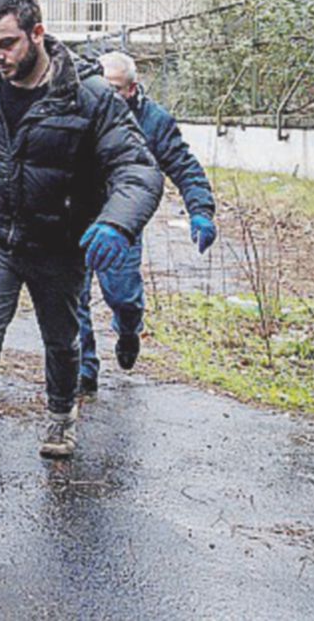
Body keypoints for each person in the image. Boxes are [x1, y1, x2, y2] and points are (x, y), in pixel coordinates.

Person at [0, 0, 163, 512]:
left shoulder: (89, 95)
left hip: (60, 242)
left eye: (7, 43)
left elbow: (138, 168)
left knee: (62, 339)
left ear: (37, 34)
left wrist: (116, 223)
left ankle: (61, 413)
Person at [76, 50, 217, 394]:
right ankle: (84, 368)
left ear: (132, 89)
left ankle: (128, 329)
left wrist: (201, 209)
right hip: (77, 219)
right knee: (72, 299)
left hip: (123, 224)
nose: (106, 96)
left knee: (123, 296)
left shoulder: (154, 121)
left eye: (114, 89)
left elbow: (184, 166)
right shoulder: (81, 108)